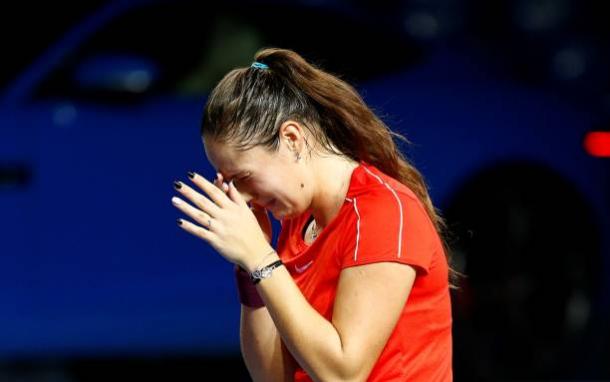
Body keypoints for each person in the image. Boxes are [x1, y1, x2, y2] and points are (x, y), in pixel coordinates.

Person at [171, 47, 460, 381]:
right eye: (230, 183)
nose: (243, 199)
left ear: (292, 139)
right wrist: (249, 269)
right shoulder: (298, 222)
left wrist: (262, 258)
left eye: (244, 179)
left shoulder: (382, 211)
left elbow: (342, 374)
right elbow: (271, 376)